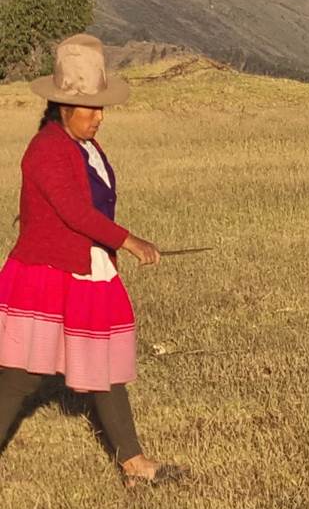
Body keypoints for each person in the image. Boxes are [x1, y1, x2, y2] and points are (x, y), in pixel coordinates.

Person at [0, 34, 185, 484]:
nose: (99, 117)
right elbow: (74, 211)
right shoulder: (47, 147)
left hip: (84, 269)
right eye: (91, 108)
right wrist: (131, 242)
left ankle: (133, 463)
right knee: (21, 376)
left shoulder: (85, 147)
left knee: (101, 366)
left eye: (102, 108)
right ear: (63, 106)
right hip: (46, 274)